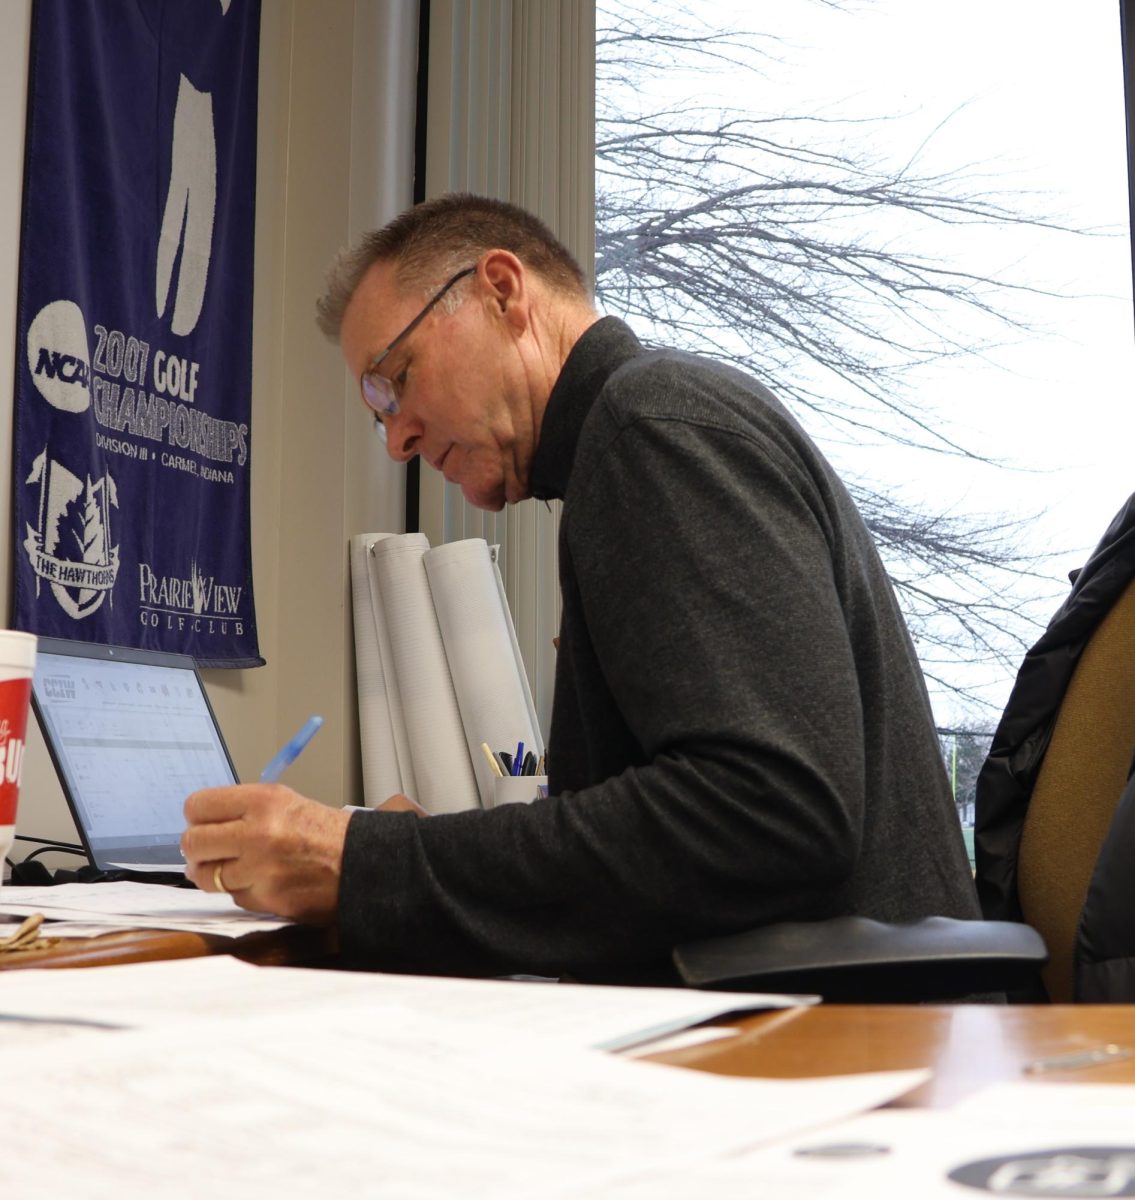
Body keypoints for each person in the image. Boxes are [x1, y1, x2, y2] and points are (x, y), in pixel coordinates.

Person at [181, 193, 980, 983]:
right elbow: (710, 821)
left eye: (395, 379)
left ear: (502, 292)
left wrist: (367, 865)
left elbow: (767, 816)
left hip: (837, 1052)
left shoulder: (651, 426)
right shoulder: (639, 434)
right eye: (375, 412)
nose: (397, 440)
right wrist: (428, 856)